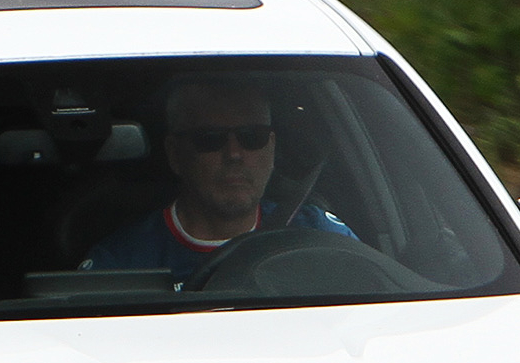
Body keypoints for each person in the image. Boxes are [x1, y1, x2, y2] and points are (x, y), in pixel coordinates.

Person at [81, 80, 356, 282]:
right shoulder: (122, 263)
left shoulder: (319, 236)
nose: (234, 154)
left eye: (252, 137)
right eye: (210, 139)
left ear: (271, 149)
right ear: (175, 154)